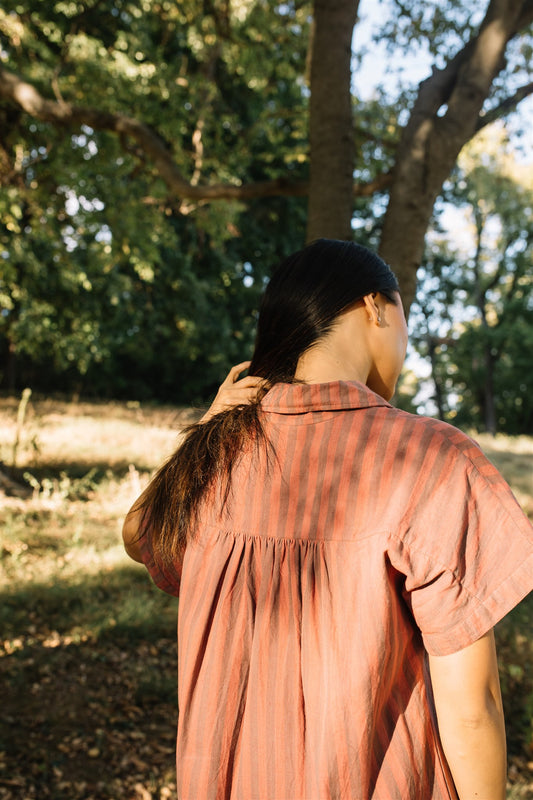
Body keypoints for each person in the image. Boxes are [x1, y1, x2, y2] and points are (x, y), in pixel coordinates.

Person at [123, 239, 533, 800]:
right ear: (375, 307)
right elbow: (472, 709)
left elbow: (138, 533)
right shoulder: (431, 459)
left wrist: (208, 426)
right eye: (406, 320)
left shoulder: (220, 453)